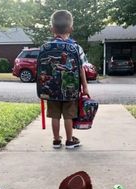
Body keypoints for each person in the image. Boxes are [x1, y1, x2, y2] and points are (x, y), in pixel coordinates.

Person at [47, 10, 90, 149]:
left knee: (55, 115)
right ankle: (70, 140)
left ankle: (56, 140)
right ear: (71, 28)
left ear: (52, 29)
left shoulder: (47, 47)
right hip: (70, 88)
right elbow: (82, 68)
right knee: (68, 116)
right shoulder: (76, 47)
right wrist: (85, 87)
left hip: (52, 88)